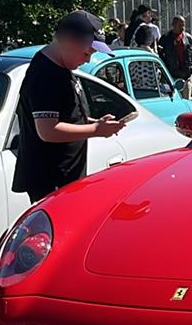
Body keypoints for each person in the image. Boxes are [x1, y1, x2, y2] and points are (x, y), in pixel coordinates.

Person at [12, 11, 127, 203]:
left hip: (65, 176)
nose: (88, 60)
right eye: (86, 53)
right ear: (70, 41)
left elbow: (66, 115)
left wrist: (94, 122)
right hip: (51, 178)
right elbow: (47, 131)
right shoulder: (45, 74)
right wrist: (96, 130)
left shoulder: (62, 68)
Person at [160, 15, 192, 94]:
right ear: (173, 25)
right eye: (180, 25)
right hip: (171, 75)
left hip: (186, 75)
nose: (182, 28)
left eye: (183, 25)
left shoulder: (188, 38)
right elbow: (160, 55)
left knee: (186, 99)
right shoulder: (165, 38)